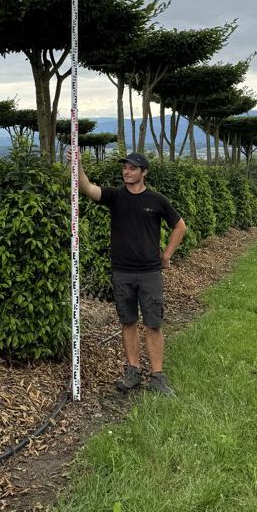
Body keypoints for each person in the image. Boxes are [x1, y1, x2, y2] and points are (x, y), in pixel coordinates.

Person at [76, 150, 186, 396]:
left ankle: (157, 376)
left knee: (153, 324)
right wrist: (78, 165)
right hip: (122, 272)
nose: (127, 171)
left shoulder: (157, 200)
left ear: (144, 172)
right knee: (128, 322)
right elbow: (88, 189)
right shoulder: (115, 196)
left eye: (133, 168)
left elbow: (179, 226)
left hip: (149, 273)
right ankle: (133, 371)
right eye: (125, 168)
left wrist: (166, 255)